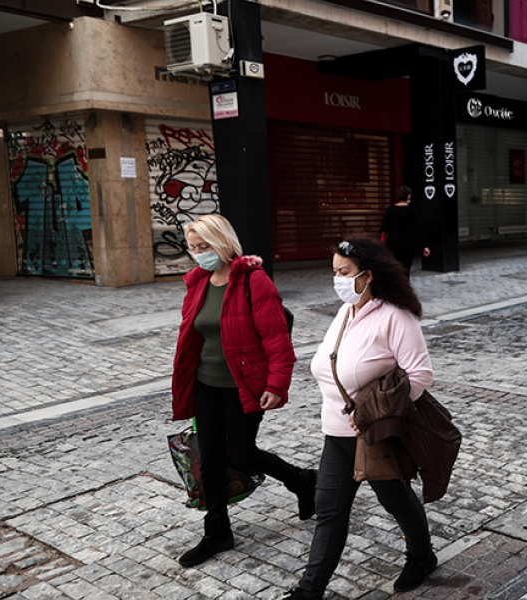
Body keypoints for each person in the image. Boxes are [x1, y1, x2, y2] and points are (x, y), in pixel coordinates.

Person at [285, 237, 436, 600]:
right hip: (336, 432)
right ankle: (310, 591)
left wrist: (380, 415)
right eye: (334, 271)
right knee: (330, 510)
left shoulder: (396, 316)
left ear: (368, 275)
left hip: (376, 434)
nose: (337, 279)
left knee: (395, 499)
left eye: (344, 272)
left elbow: (420, 375)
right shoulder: (344, 312)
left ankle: (421, 556)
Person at [171, 214, 315, 568]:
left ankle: (303, 480)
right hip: (205, 383)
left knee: (242, 454)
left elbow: (276, 338)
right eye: (193, 248)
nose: (199, 255)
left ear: (223, 242)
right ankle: (217, 531)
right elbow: (193, 335)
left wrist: (277, 385)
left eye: (204, 247)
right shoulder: (198, 282)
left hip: (243, 385)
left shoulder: (254, 280)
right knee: (210, 459)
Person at [379, 186, 430, 279]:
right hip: (407, 244)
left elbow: (384, 228)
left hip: (392, 243)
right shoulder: (412, 211)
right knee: (405, 269)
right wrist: (424, 246)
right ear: (408, 196)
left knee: (394, 269)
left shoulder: (390, 210)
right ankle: (404, 290)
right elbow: (417, 229)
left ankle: (395, 289)